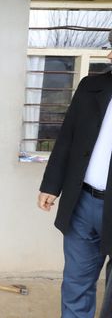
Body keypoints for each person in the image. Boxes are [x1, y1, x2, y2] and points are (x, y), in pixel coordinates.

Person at [38, 31, 112, 318]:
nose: (108, 55)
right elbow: (67, 138)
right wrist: (51, 185)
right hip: (82, 202)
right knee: (76, 285)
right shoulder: (91, 87)